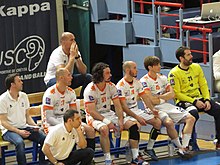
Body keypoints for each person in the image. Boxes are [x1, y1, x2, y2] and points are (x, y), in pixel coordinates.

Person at [84, 62, 149, 165]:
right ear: (99, 74)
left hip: (109, 113)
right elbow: (92, 111)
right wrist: (107, 122)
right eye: (107, 73)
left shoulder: (111, 86)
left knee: (134, 125)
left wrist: (120, 120)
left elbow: (118, 106)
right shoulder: (90, 89)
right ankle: (108, 159)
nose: (110, 75)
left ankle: (135, 157)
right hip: (94, 116)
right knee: (104, 129)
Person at [140, 57, 195, 157]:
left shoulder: (163, 78)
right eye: (157, 65)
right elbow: (151, 100)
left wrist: (159, 97)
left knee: (191, 118)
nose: (160, 66)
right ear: (150, 67)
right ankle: (180, 148)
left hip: (165, 105)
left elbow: (172, 94)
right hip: (152, 108)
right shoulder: (144, 81)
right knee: (169, 123)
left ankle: (184, 147)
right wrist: (164, 97)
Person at [168, 46, 220, 150]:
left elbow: (203, 85)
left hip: (199, 99)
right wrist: (194, 101)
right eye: (188, 55)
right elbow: (177, 94)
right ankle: (190, 143)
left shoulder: (196, 67)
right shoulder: (174, 73)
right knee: (193, 114)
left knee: (218, 110)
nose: (191, 56)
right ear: (181, 58)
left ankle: (218, 140)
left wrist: (206, 99)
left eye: (191, 54)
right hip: (184, 101)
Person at [116, 61, 162, 161]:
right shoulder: (120, 85)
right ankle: (135, 155)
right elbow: (123, 107)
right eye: (134, 68)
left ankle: (149, 148)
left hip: (136, 110)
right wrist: (137, 118)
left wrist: (152, 109)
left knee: (158, 122)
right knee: (136, 125)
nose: (137, 70)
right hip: (126, 113)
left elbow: (145, 98)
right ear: (128, 70)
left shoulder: (137, 82)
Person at [42, 68, 96, 151]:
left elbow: (74, 112)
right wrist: (66, 125)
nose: (71, 77)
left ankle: (89, 157)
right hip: (52, 123)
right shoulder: (50, 93)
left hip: (68, 120)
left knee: (90, 130)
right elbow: (49, 118)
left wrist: (78, 123)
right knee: (68, 131)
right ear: (61, 78)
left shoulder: (71, 92)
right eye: (69, 75)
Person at [0, 73, 47, 165]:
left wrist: (35, 126)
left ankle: (43, 163)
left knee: (44, 138)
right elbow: (3, 122)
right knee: (19, 143)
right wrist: (18, 131)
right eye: (19, 81)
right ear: (12, 84)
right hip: (9, 130)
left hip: (24, 127)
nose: (22, 82)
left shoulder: (24, 96)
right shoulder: (2, 99)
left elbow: (27, 116)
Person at [44, 32, 92, 98]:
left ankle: (82, 100)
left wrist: (77, 57)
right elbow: (62, 73)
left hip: (68, 78)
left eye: (74, 40)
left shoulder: (75, 52)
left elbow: (83, 71)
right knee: (62, 79)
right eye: (71, 40)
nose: (74, 42)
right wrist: (72, 58)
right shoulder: (57, 53)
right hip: (53, 79)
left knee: (88, 77)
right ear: (63, 42)